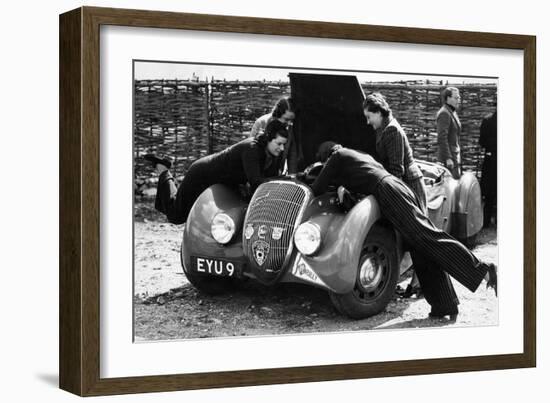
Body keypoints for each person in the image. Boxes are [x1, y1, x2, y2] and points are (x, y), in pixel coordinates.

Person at [311, 142, 497, 320]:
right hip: (399, 188)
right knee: (420, 247)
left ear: (327, 156)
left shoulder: (337, 157)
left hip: (387, 191)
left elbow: (317, 187)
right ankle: (444, 304)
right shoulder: (358, 155)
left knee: (429, 238)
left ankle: (483, 270)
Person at [145, 120, 288, 225]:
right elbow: (257, 183)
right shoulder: (252, 149)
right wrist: (283, 181)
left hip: (222, 181)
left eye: (284, 145)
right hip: (202, 174)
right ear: (268, 138)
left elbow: (269, 179)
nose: (282, 148)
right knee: (177, 215)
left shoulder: (273, 153)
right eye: (279, 144)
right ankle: (163, 170)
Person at [436, 87, 462, 179]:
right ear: (448, 98)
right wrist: (448, 158)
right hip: (448, 159)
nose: (458, 100)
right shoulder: (444, 113)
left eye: (459, 98)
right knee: (449, 187)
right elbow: (442, 137)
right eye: (456, 98)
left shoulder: (452, 112)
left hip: (454, 156)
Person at [479, 111, 497, 228]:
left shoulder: (487, 120)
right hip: (492, 159)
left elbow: (482, 142)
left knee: (490, 193)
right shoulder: (487, 120)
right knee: (490, 192)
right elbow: (482, 141)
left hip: (491, 158)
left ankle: (486, 221)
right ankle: (486, 221)